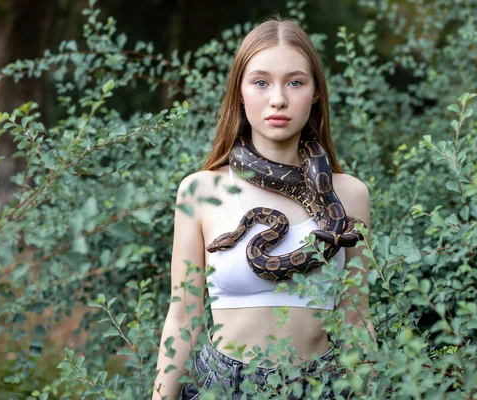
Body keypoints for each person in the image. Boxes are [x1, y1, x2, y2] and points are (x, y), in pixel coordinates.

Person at [152, 16, 375, 400]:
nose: (278, 99)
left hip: (322, 386)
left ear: (316, 93)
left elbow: (357, 316)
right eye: (260, 82)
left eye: (295, 82)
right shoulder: (200, 190)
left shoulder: (350, 195)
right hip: (221, 387)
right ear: (239, 92)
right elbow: (183, 317)